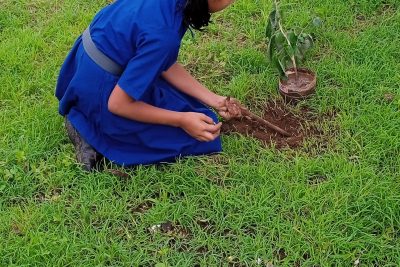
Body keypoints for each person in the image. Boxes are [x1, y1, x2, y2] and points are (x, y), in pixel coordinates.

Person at [56, 0, 238, 171]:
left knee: (188, 106)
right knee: (200, 136)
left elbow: (163, 63)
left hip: (82, 69)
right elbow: (118, 104)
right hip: (101, 91)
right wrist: (182, 120)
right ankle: (85, 126)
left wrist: (215, 100)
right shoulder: (164, 35)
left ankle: (83, 111)